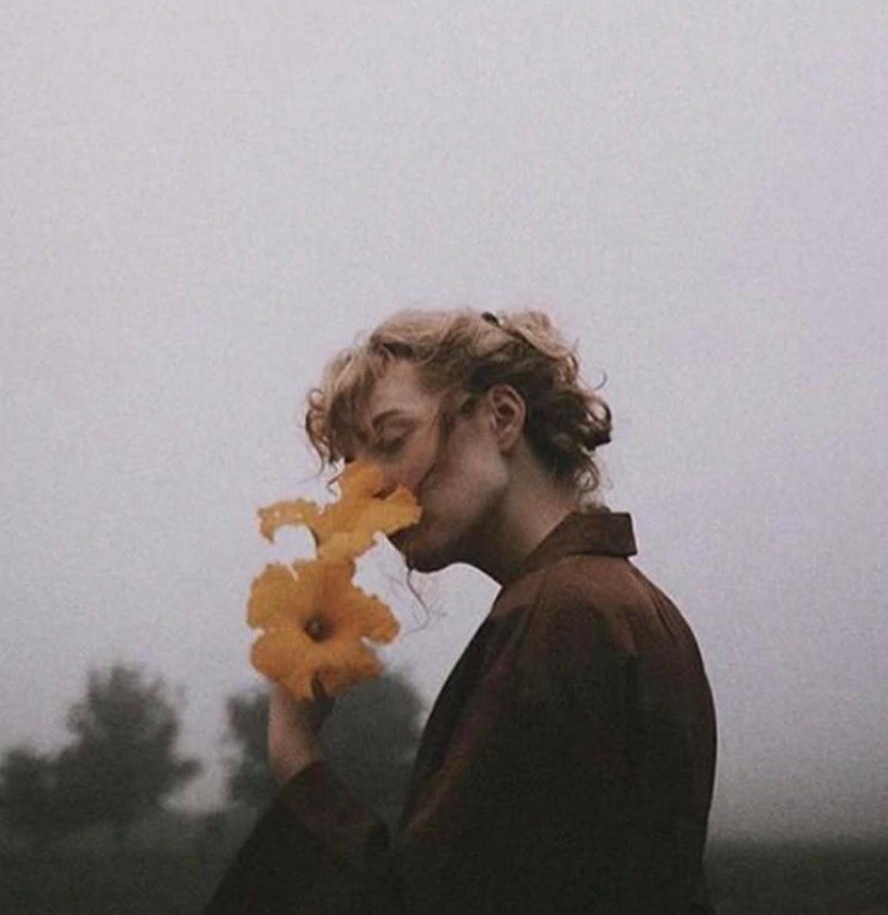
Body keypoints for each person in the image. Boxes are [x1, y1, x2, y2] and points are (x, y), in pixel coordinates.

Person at [203, 307, 717, 915]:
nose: (369, 489)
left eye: (393, 440)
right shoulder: (618, 602)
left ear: (501, 417)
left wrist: (294, 752)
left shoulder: (565, 616)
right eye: (354, 468)